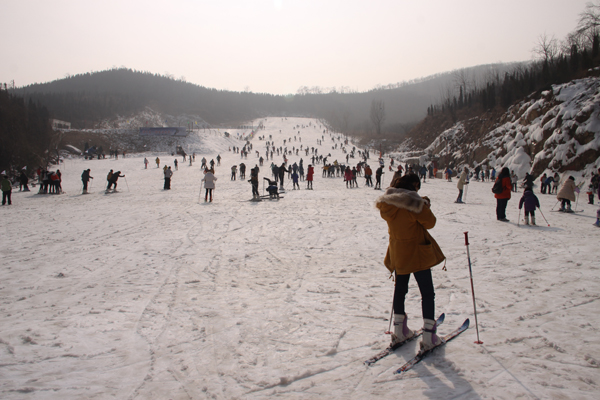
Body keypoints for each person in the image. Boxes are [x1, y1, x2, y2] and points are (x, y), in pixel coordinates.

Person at [375, 174, 445, 351]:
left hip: (398, 252)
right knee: (427, 293)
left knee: (400, 291)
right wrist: (425, 205)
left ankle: (400, 331)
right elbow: (430, 223)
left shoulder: (388, 203)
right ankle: (429, 336)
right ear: (413, 186)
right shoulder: (415, 204)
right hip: (417, 252)